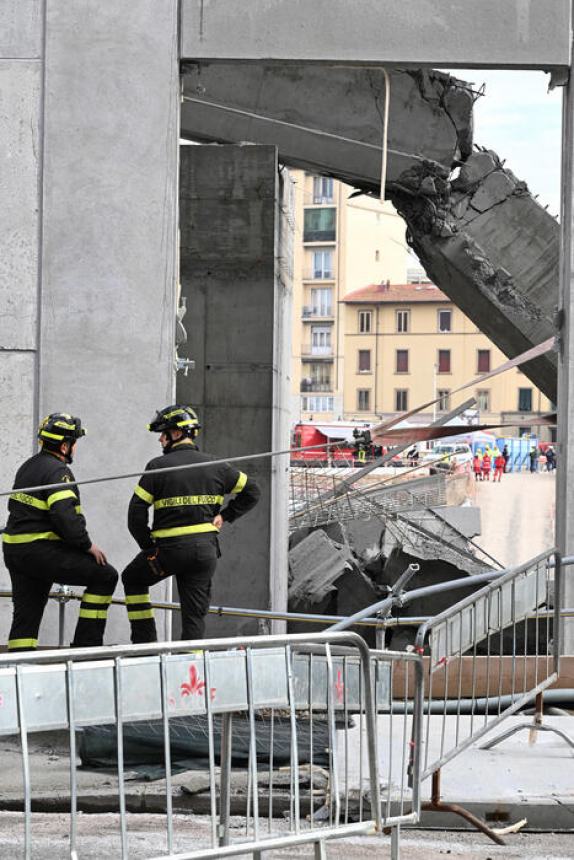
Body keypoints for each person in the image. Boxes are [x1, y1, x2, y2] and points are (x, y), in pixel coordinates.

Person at [122, 405, 260, 643]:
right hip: (204, 553)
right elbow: (253, 491)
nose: (160, 440)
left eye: (163, 434)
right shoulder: (218, 467)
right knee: (194, 616)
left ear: (176, 434)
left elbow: (135, 513)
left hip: (167, 551)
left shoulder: (157, 467)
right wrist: (226, 515)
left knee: (133, 578)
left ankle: (145, 646)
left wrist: (148, 547)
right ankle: (190, 668)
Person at [2, 413, 118, 652]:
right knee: (105, 575)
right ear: (65, 446)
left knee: (27, 613)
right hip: (39, 550)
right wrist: (87, 546)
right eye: (74, 443)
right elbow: (65, 516)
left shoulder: (28, 466)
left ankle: (19, 665)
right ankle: (87, 648)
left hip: (15, 551)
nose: (75, 449)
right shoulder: (58, 472)